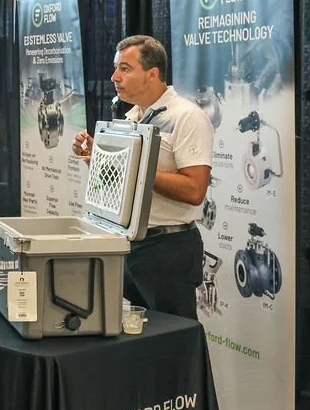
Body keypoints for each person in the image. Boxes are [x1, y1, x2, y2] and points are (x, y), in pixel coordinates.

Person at [72, 35, 213, 320]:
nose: (114, 77)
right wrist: (96, 160)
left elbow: (195, 190)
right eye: (116, 68)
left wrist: (134, 167)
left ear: (152, 74)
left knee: (174, 336)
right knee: (141, 338)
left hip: (168, 249)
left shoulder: (187, 117)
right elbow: (124, 185)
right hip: (130, 246)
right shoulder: (132, 118)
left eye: (124, 69)